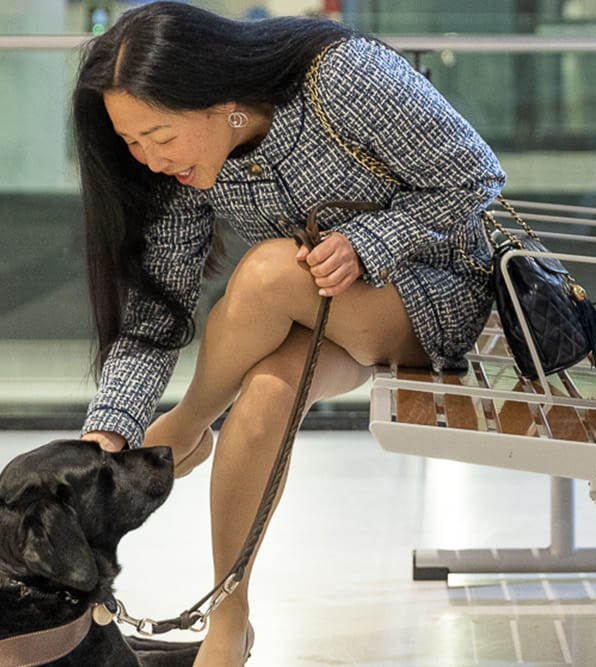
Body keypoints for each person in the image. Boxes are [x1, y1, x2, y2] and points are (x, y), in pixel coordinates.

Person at [70, 3, 502, 664]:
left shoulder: (342, 77)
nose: (148, 159)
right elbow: (157, 310)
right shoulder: (190, 168)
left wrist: (369, 242)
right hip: (327, 309)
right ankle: (228, 616)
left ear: (216, 101)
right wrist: (111, 429)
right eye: (131, 143)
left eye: (158, 134)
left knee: (269, 270)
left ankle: (186, 426)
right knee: (267, 392)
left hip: (445, 294)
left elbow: (474, 175)